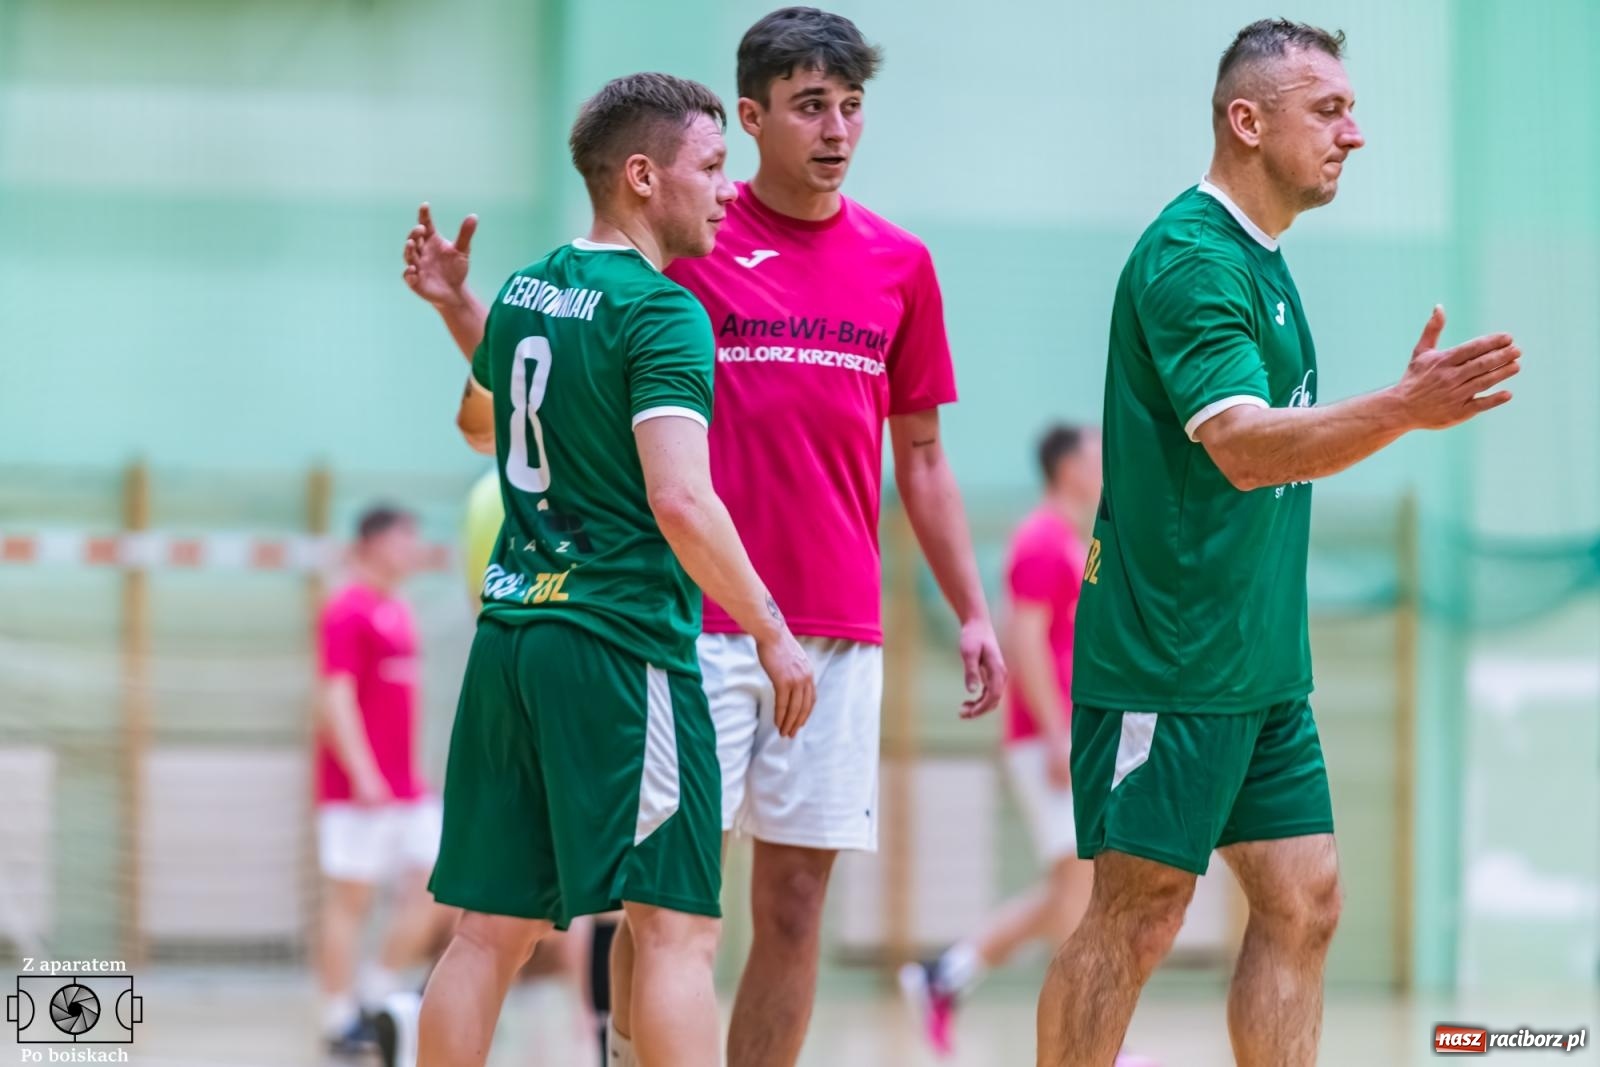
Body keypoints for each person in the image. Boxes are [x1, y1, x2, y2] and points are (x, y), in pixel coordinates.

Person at [402, 10, 1006, 1067]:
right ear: (745, 120)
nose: (834, 128)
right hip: (675, 626)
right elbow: (658, 481)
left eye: (850, 106)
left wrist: (971, 609)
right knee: (672, 914)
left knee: (745, 906)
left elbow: (508, 399)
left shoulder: (893, 265)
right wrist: (765, 624)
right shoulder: (679, 271)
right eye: (809, 106)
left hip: (686, 623)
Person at [1036, 19, 1522, 1067]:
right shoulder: (1189, 260)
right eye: (1329, 110)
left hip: (1261, 666)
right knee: (1139, 911)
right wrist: (1402, 407)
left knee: (1305, 901)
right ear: (1245, 121)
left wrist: (1395, 408)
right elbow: (1246, 451)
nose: (1355, 133)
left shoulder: (1264, 264)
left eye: (1350, 108)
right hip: (1169, 657)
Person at [413, 71, 815, 1067]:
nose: (731, 189)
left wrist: (464, 308)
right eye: (713, 167)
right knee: (677, 928)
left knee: (486, 931)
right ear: (642, 176)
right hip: (618, 645)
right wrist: (770, 627)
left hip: (510, 643)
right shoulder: (663, 312)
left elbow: (483, 422)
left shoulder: (527, 287)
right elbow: (681, 499)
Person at [904, 425, 1155, 1066]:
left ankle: (949, 975)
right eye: (1098, 451)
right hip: (1053, 738)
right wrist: (1055, 734)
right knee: (1081, 894)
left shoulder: (1070, 539)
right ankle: (1098, 1042)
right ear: (1068, 467)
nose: (1108, 460)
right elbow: (1023, 638)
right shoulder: (1042, 539)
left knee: (1073, 890)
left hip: (1069, 735)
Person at [314, 505, 454, 1057]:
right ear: (372, 544)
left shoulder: (398, 609)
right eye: (404, 540)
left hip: (405, 788)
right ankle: (337, 1014)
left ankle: (377, 991)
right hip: (357, 791)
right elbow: (334, 697)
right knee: (350, 900)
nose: (413, 551)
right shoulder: (346, 610)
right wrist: (364, 773)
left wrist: (405, 775)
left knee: (440, 879)